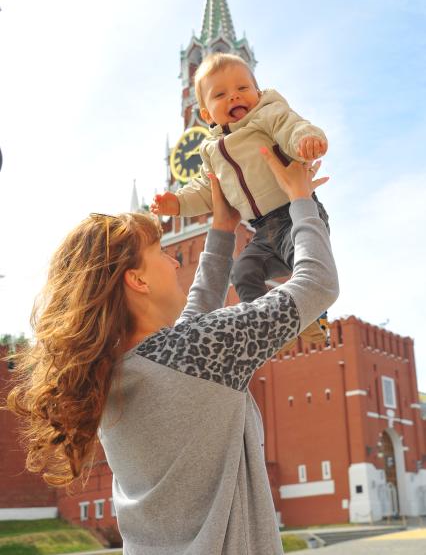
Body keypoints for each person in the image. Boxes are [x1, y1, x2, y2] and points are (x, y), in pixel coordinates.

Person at [7, 150, 338, 555]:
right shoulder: (197, 352)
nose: (173, 259)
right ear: (137, 280)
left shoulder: (113, 374)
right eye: (162, 253)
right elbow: (318, 284)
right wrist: (302, 199)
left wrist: (221, 227)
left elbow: (194, 323)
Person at [151, 52, 330, 343]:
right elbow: (206, 188)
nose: (234, 97)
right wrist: (178, 203)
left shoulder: (269, 116)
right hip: (261, 230)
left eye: (242, 89)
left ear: (258, 93)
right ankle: (266, 327)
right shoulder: (211, 151)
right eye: (220, 94)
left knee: (306, 264)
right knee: (243, 271)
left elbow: (293, 128)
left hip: (293, 214)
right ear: (205, 114)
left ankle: (315, 319)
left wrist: (306, 141)